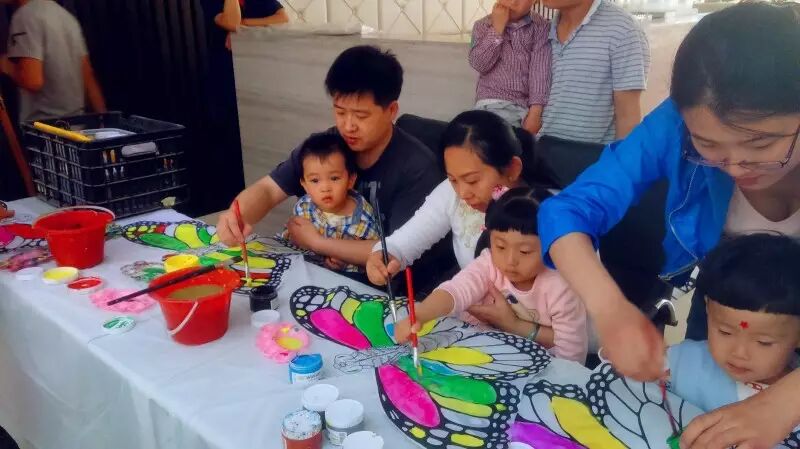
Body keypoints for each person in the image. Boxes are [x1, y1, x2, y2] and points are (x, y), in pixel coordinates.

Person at [537, 4, 800, 448]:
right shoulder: (674, 124)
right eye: (708, 145)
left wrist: (784, 401)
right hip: (728, 308)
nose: (736, 166)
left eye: (760, 144)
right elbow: (566, 210)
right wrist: (611, 309)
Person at [217, 45, 448, 292]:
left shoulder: (417, 168)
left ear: (391, 111)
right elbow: (269, 189)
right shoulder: (326, 147)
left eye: (361, 116)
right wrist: (238, 215)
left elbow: (396, 250)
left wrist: (317, 243)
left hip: (387, 292)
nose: (348, 126)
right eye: (340, 112)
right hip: (321, 276)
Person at [394, 187, 587, 363]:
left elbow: (571, 352)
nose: (510, 260)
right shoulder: (489, 263)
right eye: (500, 246)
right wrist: (421, 315)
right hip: (482, 352)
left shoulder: (561, 286)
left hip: (535, 365)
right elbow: (456, 290)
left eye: (525, 251)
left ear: (552, 245)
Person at [365, 110, 535, 286]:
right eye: (453, 179)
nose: (463, 193)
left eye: (472, 180)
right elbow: (405, 241)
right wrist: (385, 255)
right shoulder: (451, 194)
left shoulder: (544, 211)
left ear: (512, 169)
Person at [667, 234, 800, 418]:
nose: (739, 353)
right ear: (707, 309)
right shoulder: (679, 362)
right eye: (725, 332)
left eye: (763, 342)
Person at [535, 0, 650, 187]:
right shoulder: (544, 29)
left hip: (590, 169)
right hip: (540, 163)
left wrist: (618, 179)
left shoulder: (623, 30)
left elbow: (628, 117)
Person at [279, 132, 379, 275]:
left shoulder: (363, 218)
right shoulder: (304, 207)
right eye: (315, 180)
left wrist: (345, 261)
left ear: (350, 180)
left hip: (346, 281)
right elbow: (291, 242)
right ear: (304, 184)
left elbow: (376, 259)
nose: (325, 188)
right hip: (306, 274)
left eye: (334, 178)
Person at [0, 0, 105, 123]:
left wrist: (6, 65)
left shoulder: (25, 16)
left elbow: (32, 81)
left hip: (45, 128)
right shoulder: (66, 17)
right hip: (76, 126)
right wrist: (104, 121)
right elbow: (88, 78)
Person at [469, 0, 551, 134]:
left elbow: (540, 71)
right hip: (491, 103)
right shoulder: (482, 25)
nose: (513, 1)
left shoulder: (540, 27)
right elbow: (479, 64)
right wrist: (496, 29)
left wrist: (535, 112)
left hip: (525, 109)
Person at [214, 0, 289, 50]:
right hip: (221, 58)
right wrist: (237, 26)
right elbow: (232, 24)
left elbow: (283, 18)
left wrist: (243, 24)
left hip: (253, 56)